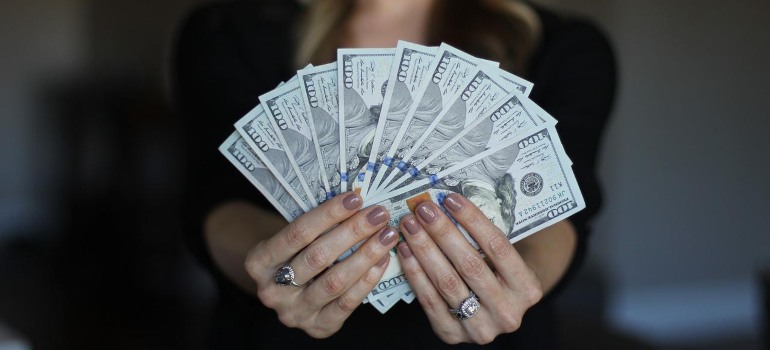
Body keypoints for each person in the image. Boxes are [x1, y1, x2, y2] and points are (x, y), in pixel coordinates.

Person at [173, 0, 616, 348]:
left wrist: (523, 277)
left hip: (492, 341)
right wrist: (286, 264)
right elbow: (215, 199)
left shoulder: (565, 48)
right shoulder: (226, 32)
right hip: (275, 336)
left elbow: (566, 211)